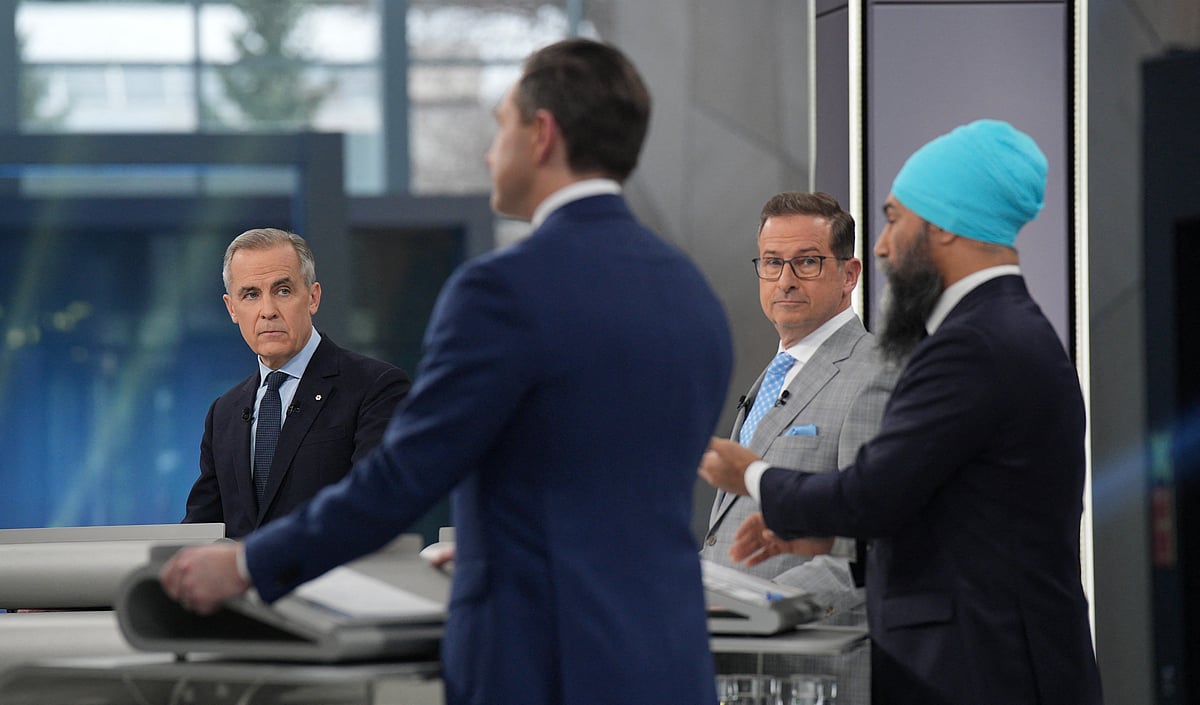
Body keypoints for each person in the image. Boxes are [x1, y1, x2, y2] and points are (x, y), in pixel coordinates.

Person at [162, 38, 733, 705]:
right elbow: (598, 483)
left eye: (500, 127)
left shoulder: (503, 290)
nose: (492, 152)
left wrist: (246, 562)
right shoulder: (692, 291)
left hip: (542, 666)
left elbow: (403, 476)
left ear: (542, 134)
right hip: (672, 662)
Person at [700, 120, 1103, 705]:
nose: (885, 245)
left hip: (988, 671)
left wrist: (752, 475)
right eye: (770, 262)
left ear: (942, 224)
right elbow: (943, 518)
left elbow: (872, 496)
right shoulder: (1002, 330)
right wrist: (829, 543)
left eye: (894, 218)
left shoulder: (972, 342)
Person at [700, 192, 893, 619]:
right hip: (736, 661)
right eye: (772, 262)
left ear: (849, 274)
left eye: (807, 262)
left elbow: (865, 551)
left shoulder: (875, 375)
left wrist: (746, 605)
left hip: (812, 670)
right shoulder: (774, 374)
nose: (785, 279)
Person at [182, 228, 411, 539]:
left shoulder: (376, 388)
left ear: (313, 297)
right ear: (232, 308)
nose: (268, 311)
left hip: (333, 584)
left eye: (283, 291)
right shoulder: (223, 413)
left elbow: (371, 508)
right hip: (241, 588)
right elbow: (200, 530)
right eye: (251, 294)